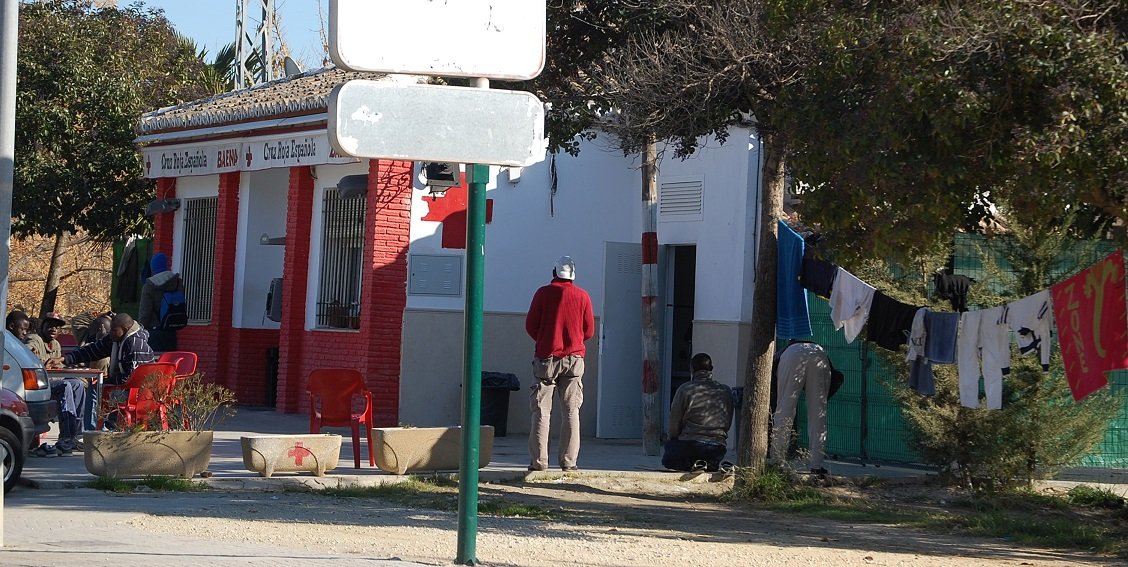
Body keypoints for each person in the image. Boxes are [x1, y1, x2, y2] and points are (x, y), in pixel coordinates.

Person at [525, 255, 594, 472]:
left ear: (554, 273)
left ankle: (539, 462)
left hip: (546, 358)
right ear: (573, 275)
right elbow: (589, 331)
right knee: (571, 411)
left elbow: (530, 325)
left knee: (542, 411)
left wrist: (545, 339)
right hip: (574, 359)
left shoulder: (543, 293)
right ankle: (569, 462)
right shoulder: (583, 296)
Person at [662, 353, 734, 472]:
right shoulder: (725, 390)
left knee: (668, 457)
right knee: (708, 455)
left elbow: (674, 424)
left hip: (691, 444)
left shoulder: (685, 389)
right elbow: (728, 421)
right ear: (711, 369)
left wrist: (673, 438)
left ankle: (693, 464)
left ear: (692, 369)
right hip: (717, 446)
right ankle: (709, 464)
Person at [770, 341, 832, 476]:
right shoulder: (818, 351)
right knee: (818, 412)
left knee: (784, 408)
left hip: (791, 354)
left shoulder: (779, 359)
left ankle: (777, 462)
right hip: (818, 352)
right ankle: (816, 466)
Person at [27, 312, 86, 456]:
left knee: (78, 384)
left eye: (57, 327)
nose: (53, 329)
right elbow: (28, 351)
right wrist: (40, 361)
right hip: (38, 384)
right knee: (65, 387)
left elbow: (58, 369)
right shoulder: (35, 339)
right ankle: (65, 436)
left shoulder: (56, 344)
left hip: (53, 379)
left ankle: (74, 435)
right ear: (42, 326)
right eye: (50, 325)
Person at [50, 313, 154, 387]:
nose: (110, 333)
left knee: (95, 390)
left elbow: (133, 378)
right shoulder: (116, 338)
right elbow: (92, 350)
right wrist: (64, 359)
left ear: (125, 329)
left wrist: (106, 381)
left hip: (137, 393)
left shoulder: (135, 344)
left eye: (113, 330)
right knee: (93, 387)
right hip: (123, 387)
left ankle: (94, 418)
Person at [138, 252, 182, 351]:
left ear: (153, 267)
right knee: (169, 364)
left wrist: (140, 330)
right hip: (171, 331)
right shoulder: (177, 282)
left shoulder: (149, 285)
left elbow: (145, 313)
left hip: (153, 332)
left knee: (155, 364)